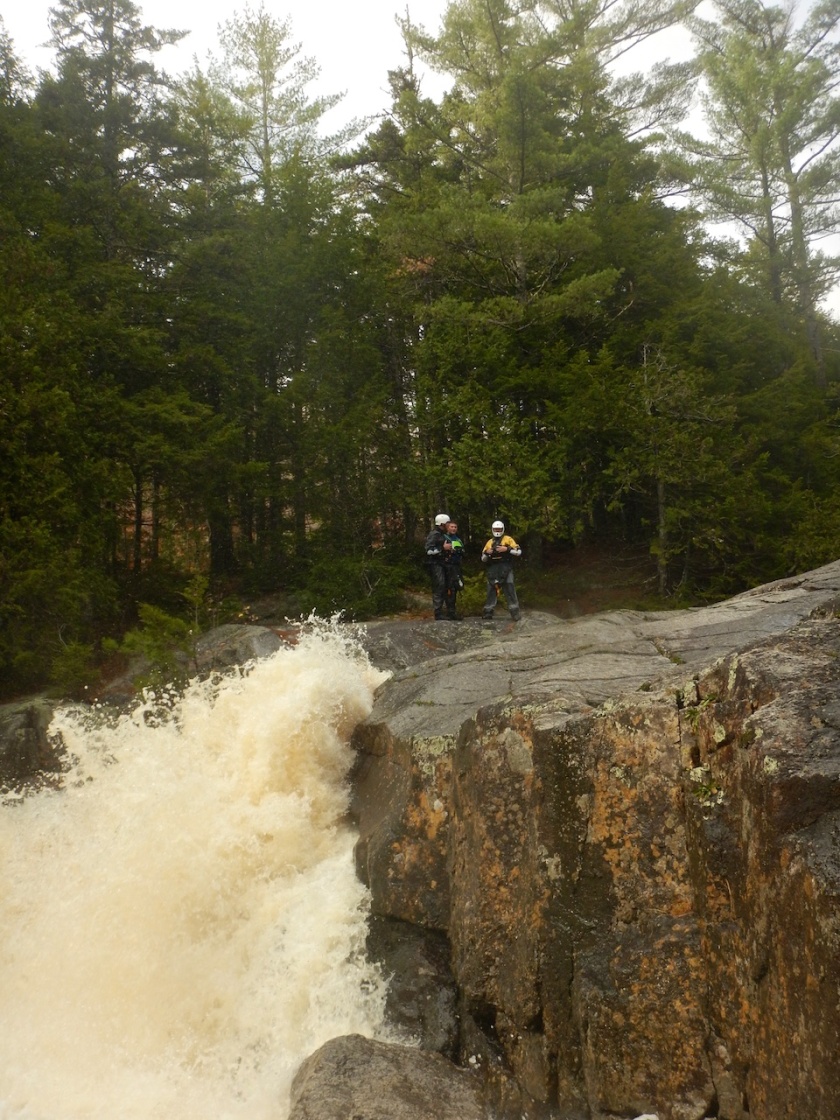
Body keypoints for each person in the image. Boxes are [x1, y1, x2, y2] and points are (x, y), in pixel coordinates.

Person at [481, 519, 522, 621]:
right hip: (493, 568)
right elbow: (483, 559)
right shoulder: (490, 542)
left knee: (509, 586)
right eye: (495, 529)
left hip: (505, 567)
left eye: (499, 529)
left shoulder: (508, 539)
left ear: (503, 529)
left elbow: (518, 552)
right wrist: (487, 552)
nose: (497, 530)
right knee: (491, 589)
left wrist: (507, 549)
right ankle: (488, 612)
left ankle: (515, 612)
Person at [424, 513, 453, 620]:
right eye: (447, 523)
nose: (449, 525)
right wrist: (442, 548)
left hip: (443, 563)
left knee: (446, 586)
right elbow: (429, 550)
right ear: (442, 524)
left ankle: (448, 611)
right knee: (439, 586)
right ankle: (438, 612)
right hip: (436, 564)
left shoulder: (443, 534)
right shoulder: (434, 534)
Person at [443, 520, 465, 620]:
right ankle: (449, 612)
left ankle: (453, 611)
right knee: (449, 588)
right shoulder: (444, 538)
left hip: (456, 566)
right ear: (447, 527)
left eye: (455, 527)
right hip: (447, 566)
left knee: (457, 587)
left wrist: (458, 550)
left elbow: (462, 551)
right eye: (451, 527)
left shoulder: (458, 539)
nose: (453, 529)